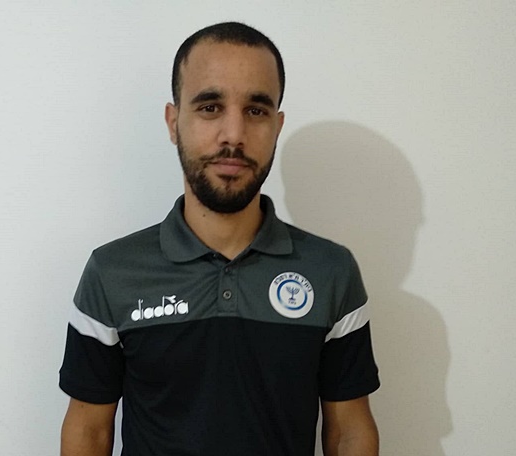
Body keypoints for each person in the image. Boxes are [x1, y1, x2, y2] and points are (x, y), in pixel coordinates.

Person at [59, 21, 380, 456]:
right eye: (210, 107)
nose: (234, 134)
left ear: (277, 126)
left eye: (256, 110)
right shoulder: (112, 273)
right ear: (174, 122)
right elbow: (89, 432)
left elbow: (349, 432)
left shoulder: (330, 272)